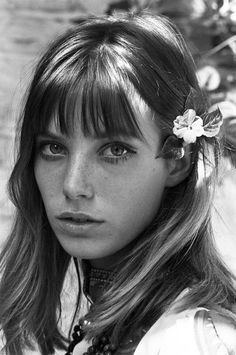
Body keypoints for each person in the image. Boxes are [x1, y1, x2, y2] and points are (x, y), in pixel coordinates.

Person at [0, 11, 236, 355]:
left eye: (114, 150)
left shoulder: (190, 343)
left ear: (178, 161)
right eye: (54, 148)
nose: (73, 184)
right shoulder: (118, 326)